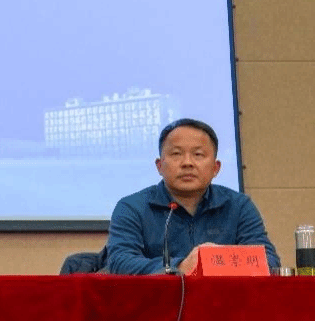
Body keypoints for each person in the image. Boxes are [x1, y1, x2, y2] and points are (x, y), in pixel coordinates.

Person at [106, 118, 280, 275]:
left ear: (216, 168)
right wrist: (179, 267)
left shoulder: (238, 206)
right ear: (159, 166)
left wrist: (216, 261)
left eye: (198, 154)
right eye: (176, 154)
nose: (187, 163)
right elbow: (120, 261)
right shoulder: (132, 207)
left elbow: (269, 261)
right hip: (157, 300)